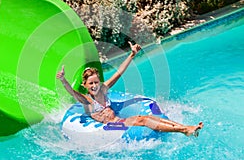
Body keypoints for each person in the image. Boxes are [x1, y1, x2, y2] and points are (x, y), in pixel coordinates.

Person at [56, 42, 203, 137]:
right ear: (85, 86)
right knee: (144, 120)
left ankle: (186, 128)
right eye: (90, 84)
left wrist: (132, 55)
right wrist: (63, 80)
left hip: (119, 120)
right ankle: (184, 130)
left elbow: (119, 72)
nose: (94, 86)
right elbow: (72, 93)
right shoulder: (88, 101)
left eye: (96, 82)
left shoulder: (104, 89)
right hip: (110, 128)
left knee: (149, 118)